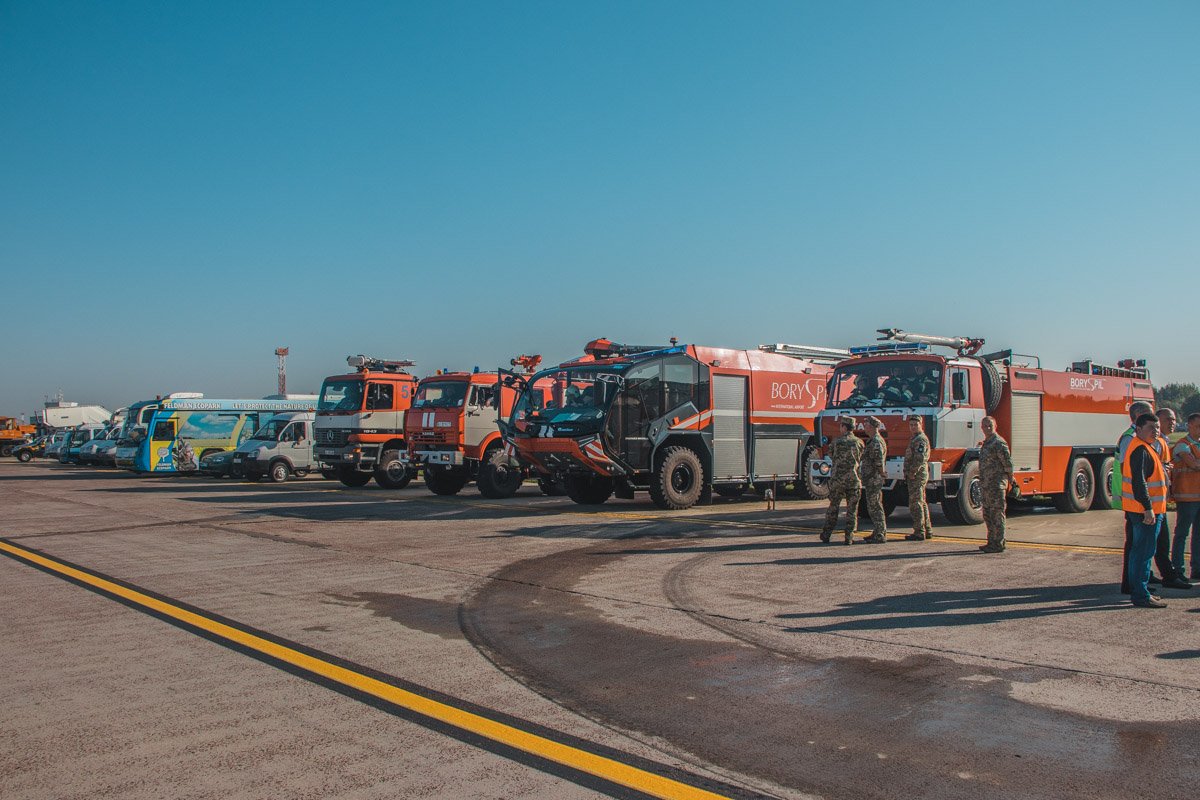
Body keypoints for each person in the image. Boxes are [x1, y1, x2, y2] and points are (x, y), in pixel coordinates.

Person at [1122, 414, 1170, 607]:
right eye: (1151, 427)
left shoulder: (1144, 448)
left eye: (1157, 427)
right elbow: (1139, 482)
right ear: (1139, 429)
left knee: (1139, 553)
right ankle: (1141, 595)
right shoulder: (1141, 450)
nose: (1155, 431)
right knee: (1143, 554)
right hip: (1145, 512)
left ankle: (1140, 591)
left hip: (1140, 510)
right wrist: (1148, 508)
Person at [1117, 401, 1153, 593]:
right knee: (1135, 545)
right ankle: (1132, 584)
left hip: (1137, 500)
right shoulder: (1130, 439)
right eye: (1149, 414)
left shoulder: (1138, 439)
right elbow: (1129, 470)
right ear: (1138, 415)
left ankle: (1139, 580)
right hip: (1135, 501)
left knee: (1140, 545)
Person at [821, 416, 863, 545]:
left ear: (844, 427)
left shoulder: (836, 442)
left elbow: (831, 455)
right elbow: (860, 457)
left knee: (833, 507)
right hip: (853, 480)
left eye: (841, 426)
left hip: (838, 480)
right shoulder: (859, 442)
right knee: (852, 510)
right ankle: (849, 536)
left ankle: (827, 534)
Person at [978, 416, 1014, 553]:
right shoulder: (986, 443)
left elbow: (1008, 463)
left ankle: (998, 543)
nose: (987, 428)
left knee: (997, 514)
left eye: (989, 426)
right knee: (988, 514)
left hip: (996, 485)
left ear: (995, 426)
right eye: (985, 426)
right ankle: (991, 541)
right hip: (986, 485)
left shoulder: (999, 443)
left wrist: (1011, 479)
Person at [1170, 412, 1200, 580]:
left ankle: (1197, 568)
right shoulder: (1183, 445)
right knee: (1182, 533)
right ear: (1189, 425)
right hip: (1187, 496)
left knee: (1198, 535)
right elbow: (1193, 464)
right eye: (1198, 426)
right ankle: (1178, 568)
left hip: (1197, 496)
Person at [903, 415, 933, 540]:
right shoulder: (914, 438)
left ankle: (919, 531)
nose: (913, 427)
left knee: (916, 503)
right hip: (915, 474)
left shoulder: (921, 440)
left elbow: (920, 459)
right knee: (921, 502)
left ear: (921, 425)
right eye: (911, 425)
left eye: (916, 424)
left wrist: (912, 472)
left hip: (917, 475)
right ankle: (927, 529)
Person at [859, 416, 888, 543]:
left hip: (874, 478)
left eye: (866, 425)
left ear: (871, 426)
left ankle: (880, 533)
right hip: (871, 478)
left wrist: (882, 473)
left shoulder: (876, 441)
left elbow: (879, 460)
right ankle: (877, 531)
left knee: (875, 506)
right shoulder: (873, 440)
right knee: (873, 506)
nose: (864, 427)